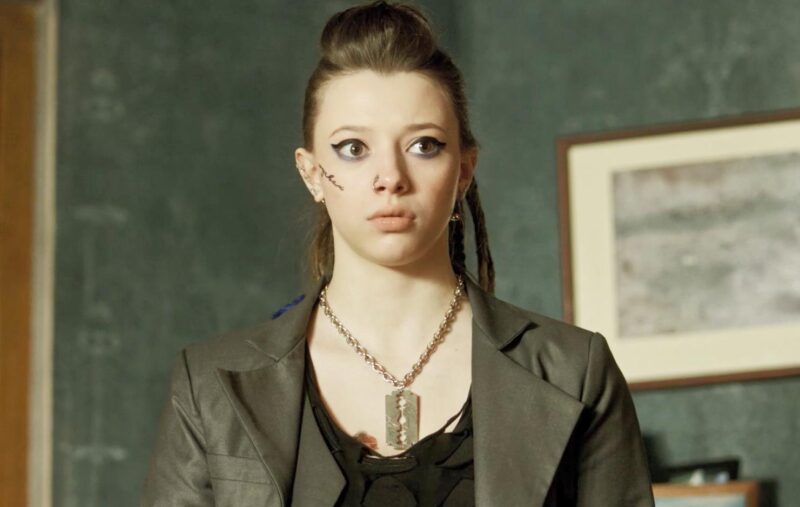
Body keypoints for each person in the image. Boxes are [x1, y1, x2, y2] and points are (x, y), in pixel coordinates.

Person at [141, 2, 655, 506]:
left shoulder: (573, 371)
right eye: (353, 148)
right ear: (311, 173)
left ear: (464, 170)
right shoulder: (210, 383)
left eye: (423, 145)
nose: (390, 177)